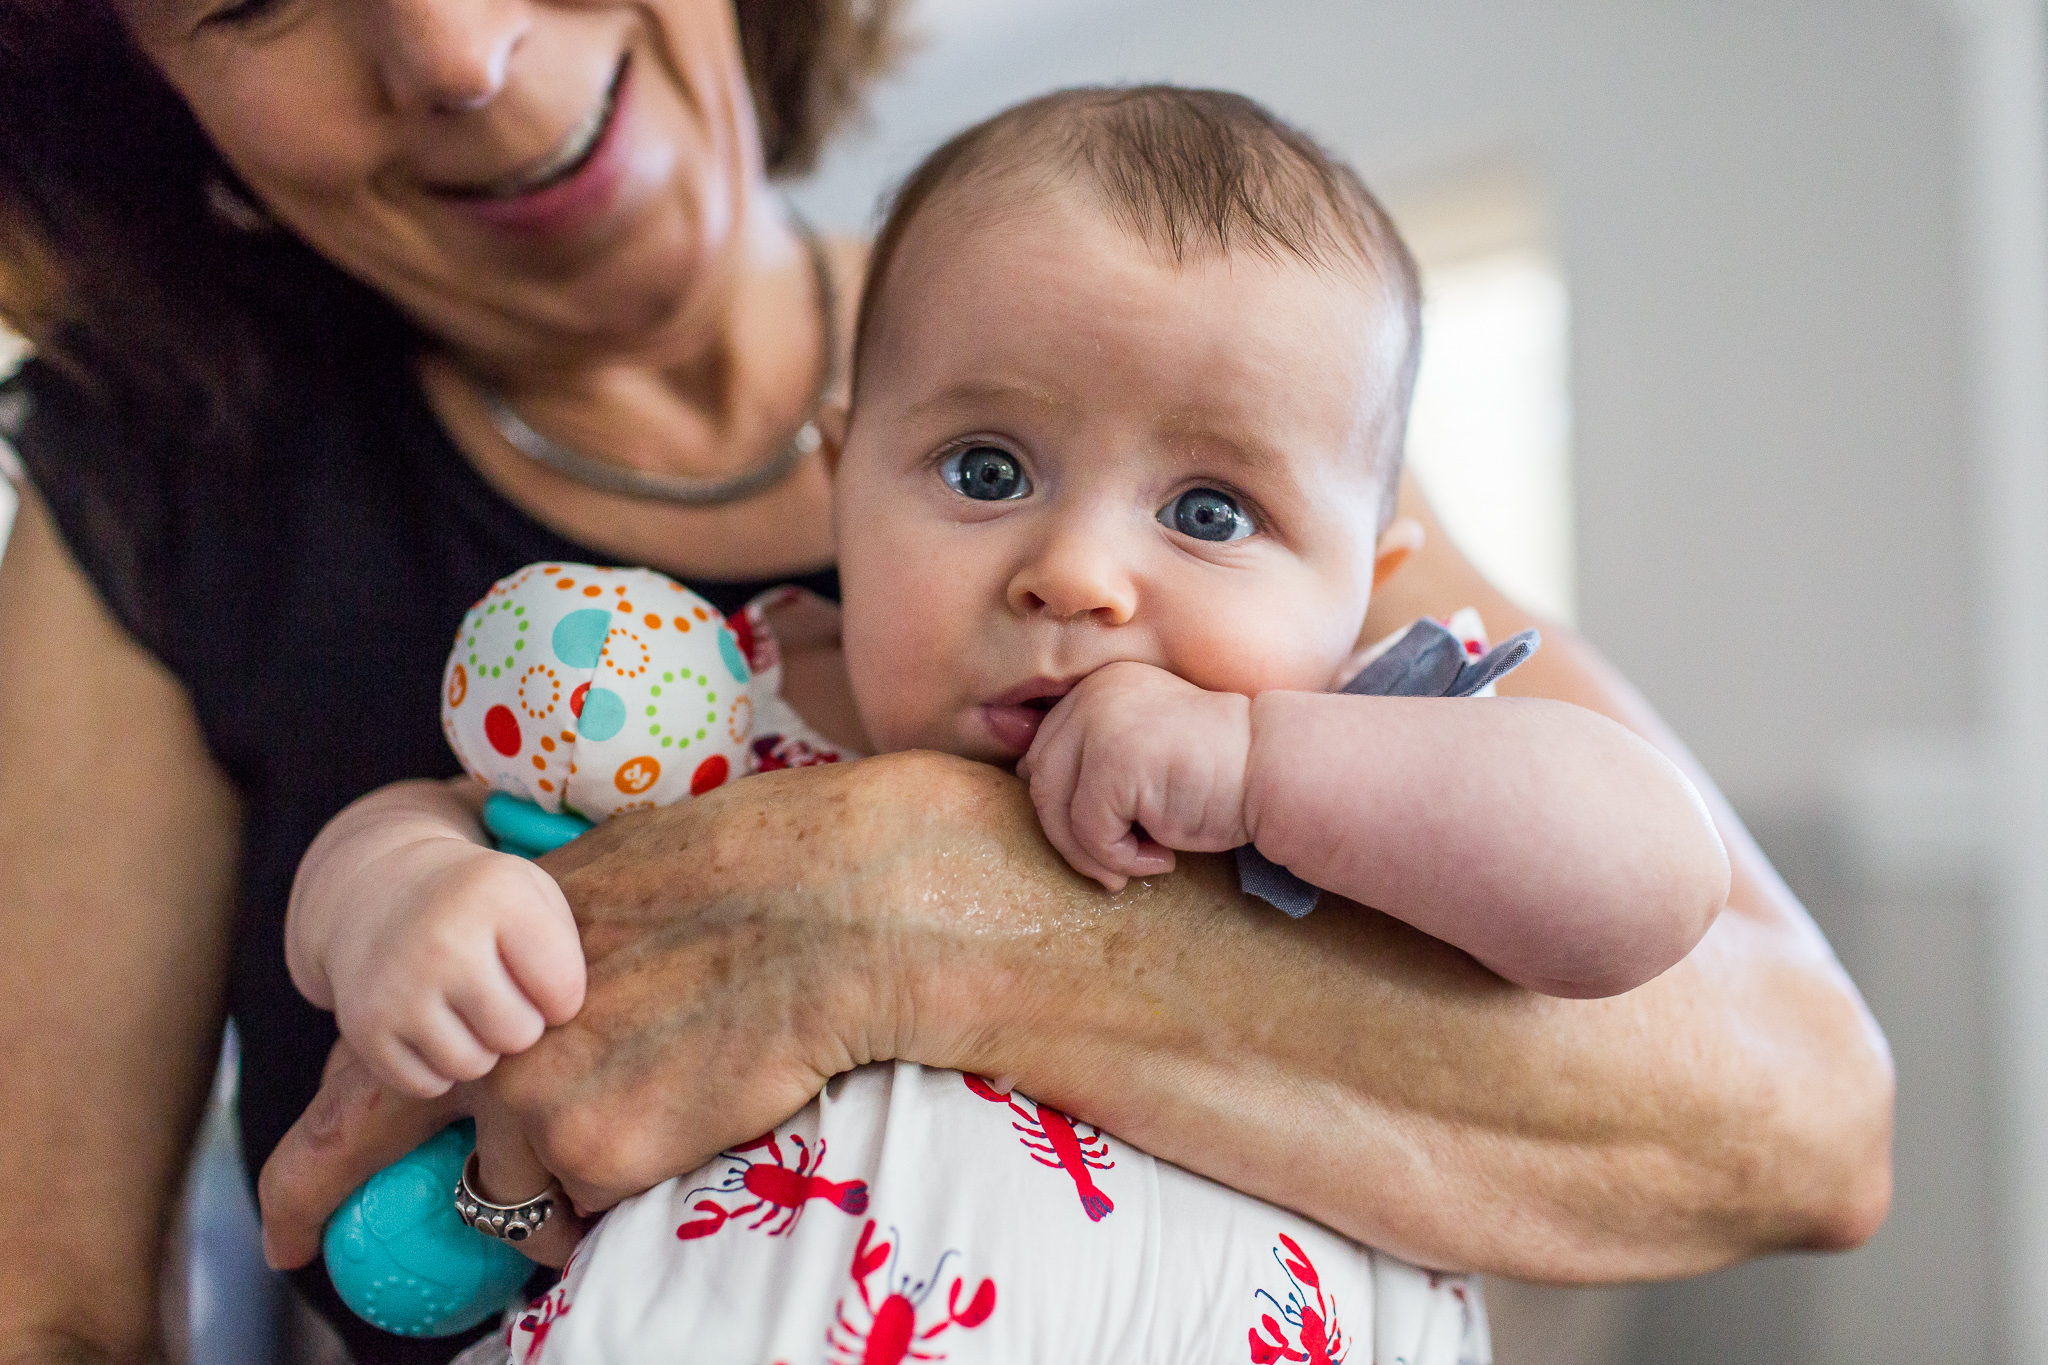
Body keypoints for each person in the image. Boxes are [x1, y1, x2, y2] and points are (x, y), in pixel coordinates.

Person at [0, 4, 1892, 1363]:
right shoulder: (712, 684)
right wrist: (405, 892)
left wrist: (1038, 851)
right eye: (981, 472)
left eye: (1211, 506)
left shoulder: (1336, 692)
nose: (455, 45)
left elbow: (1742, 1018)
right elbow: (66, 1286)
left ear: (1366, 567)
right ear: (842, 467)